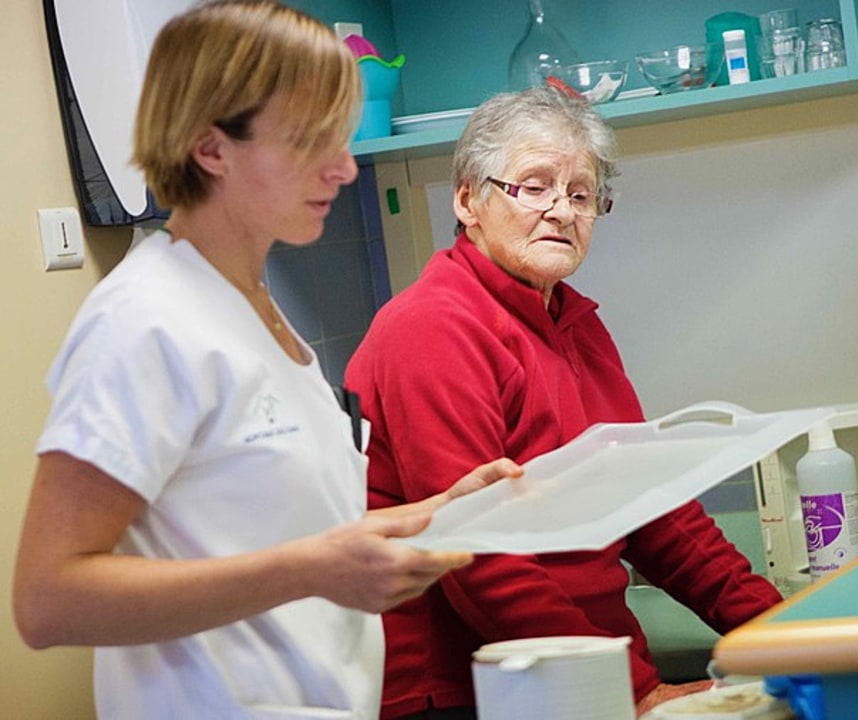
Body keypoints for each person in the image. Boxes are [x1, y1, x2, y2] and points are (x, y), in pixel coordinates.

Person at [11, 2, 519, 717]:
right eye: (311, 140)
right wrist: (310, 571)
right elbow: (48, 601)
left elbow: (280, 539)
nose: (343, 168)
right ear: (210, 147)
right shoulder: (145, 321)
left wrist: (440, 514)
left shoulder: (260, 314)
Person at [344, 86, 784, 720]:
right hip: (467, 688)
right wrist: (630, 691)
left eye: (581, 194)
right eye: (533, 186)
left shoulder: (572, 322)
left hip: (581, 672)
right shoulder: (432, 327)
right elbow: (476, 555)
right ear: (468, 200)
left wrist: (782, 628)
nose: (561, 210)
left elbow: (656, 512)